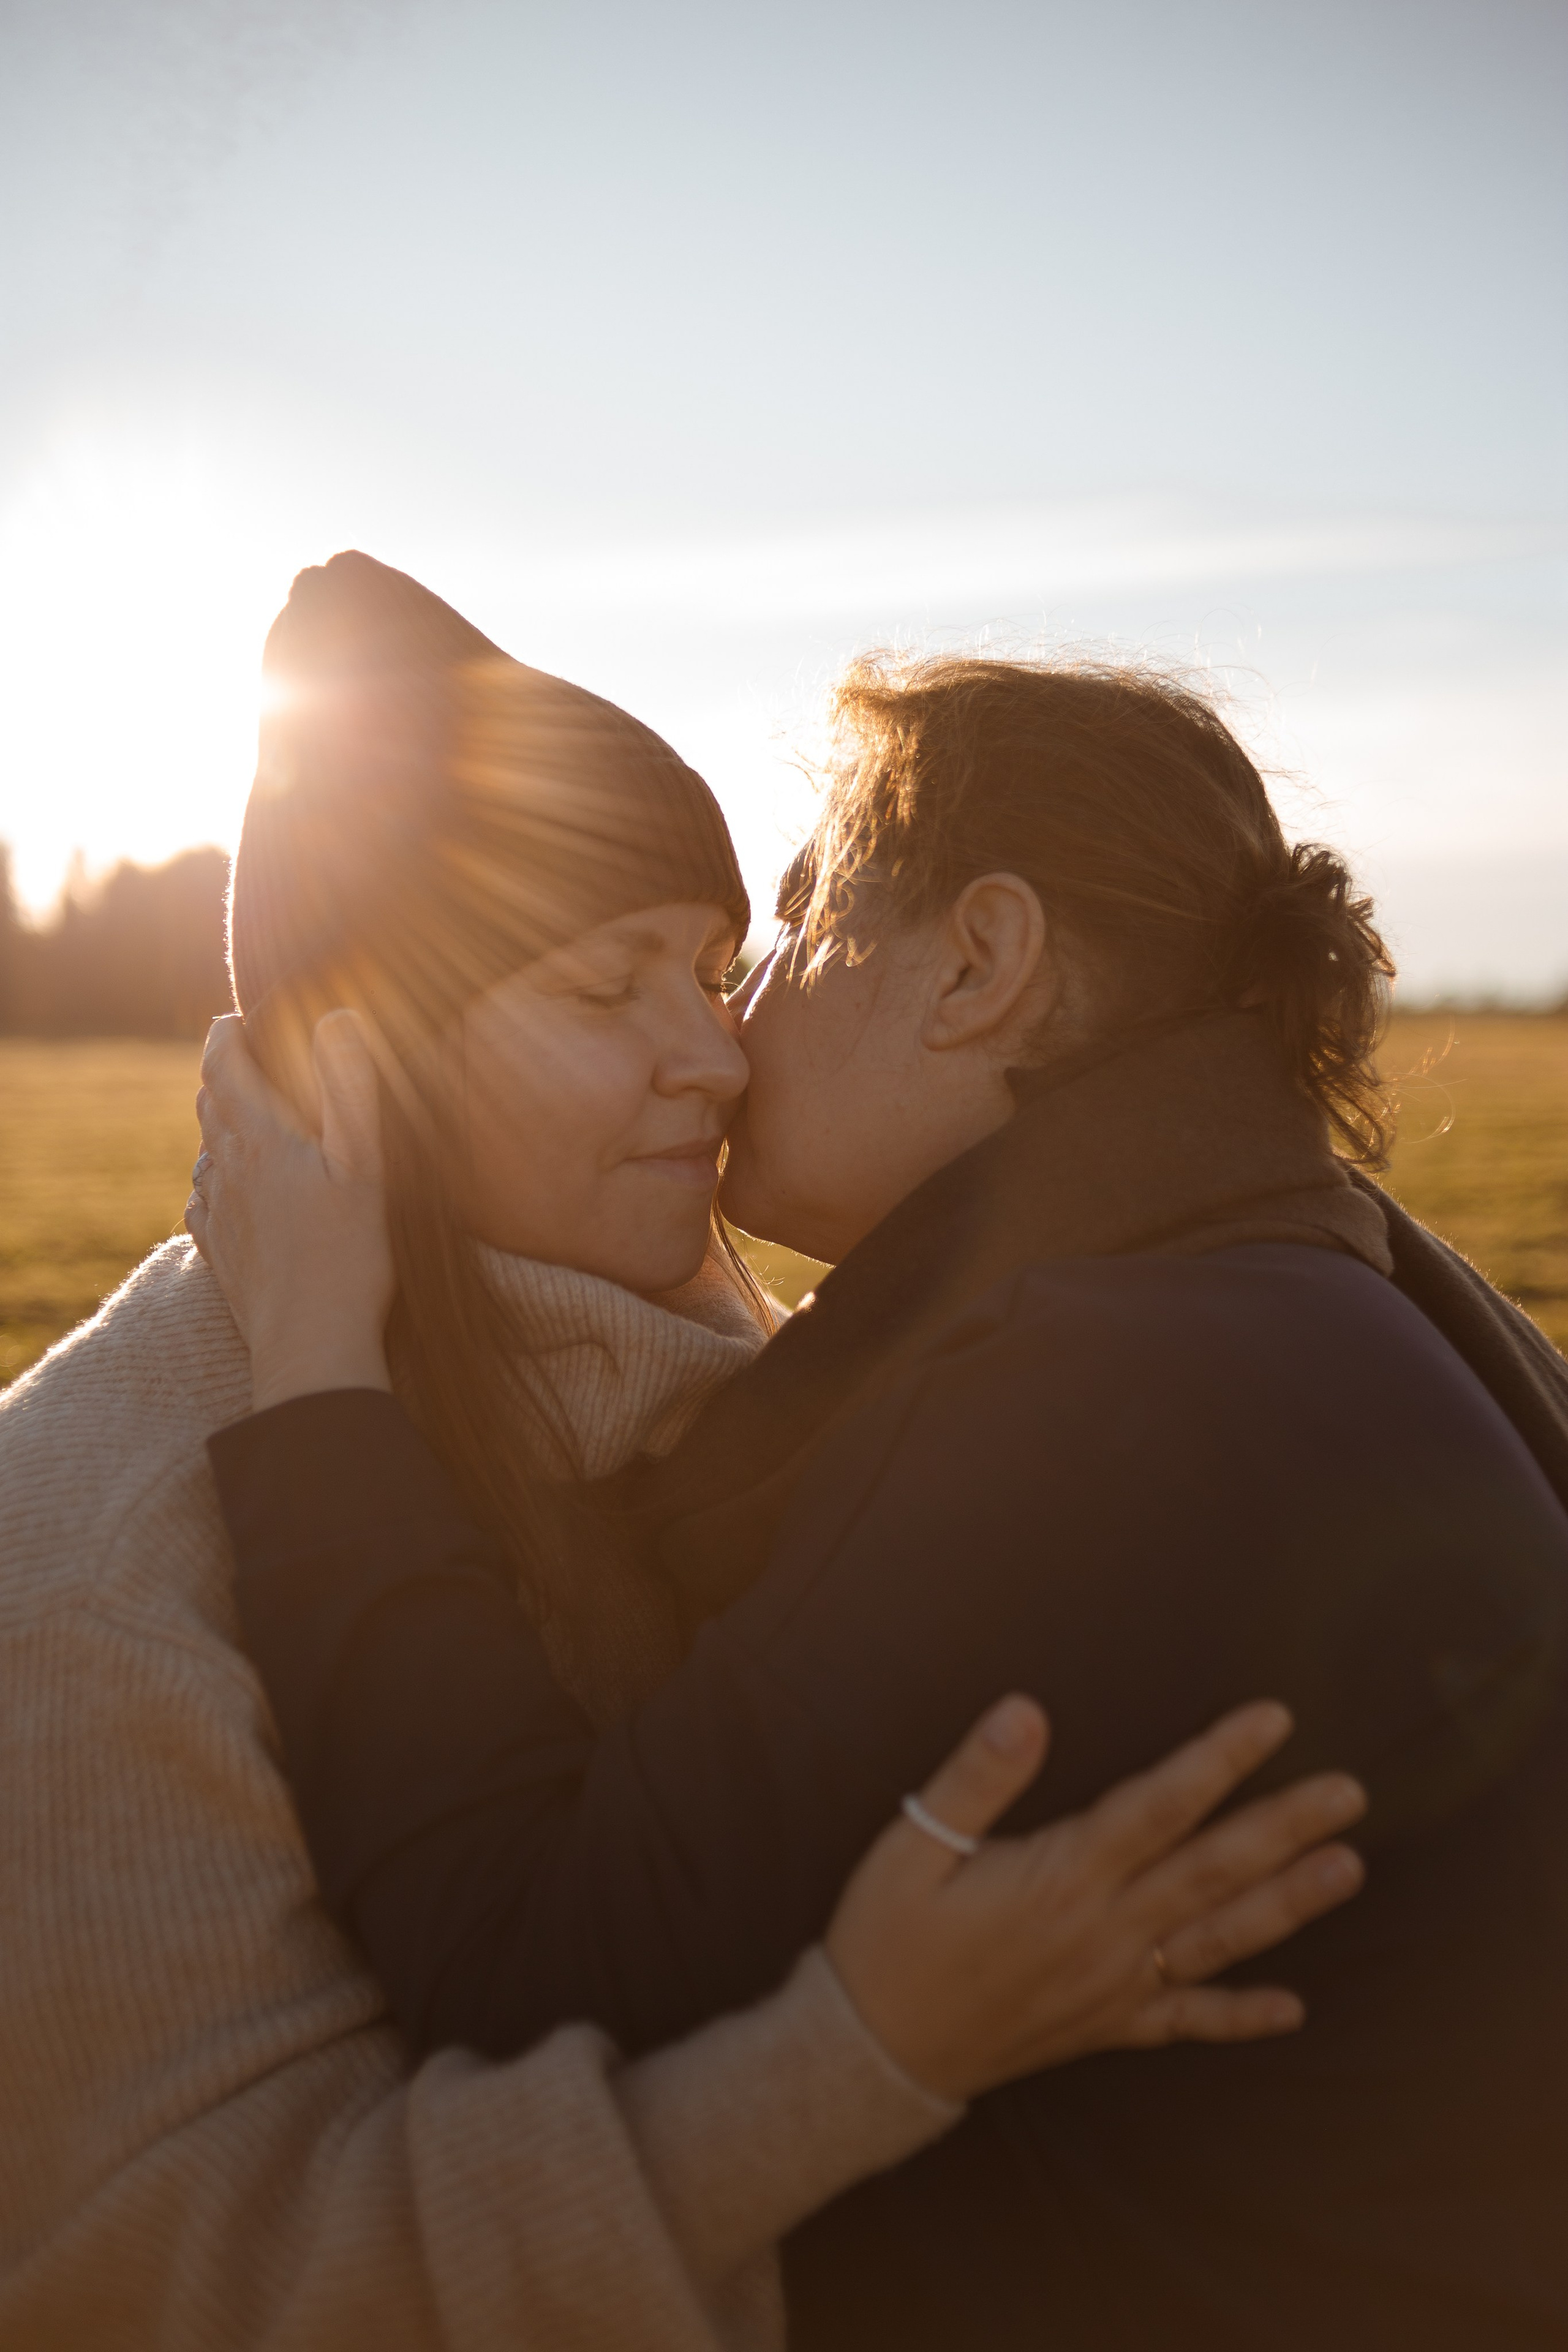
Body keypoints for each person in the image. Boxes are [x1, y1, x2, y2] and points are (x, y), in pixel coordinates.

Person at [0, 559, 1363, 2352]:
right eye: (602, 990)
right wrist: (848, 2065)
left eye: (715, 970)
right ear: (356, 1067)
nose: (714, 1065)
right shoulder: (110, 1551)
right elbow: (197, 2283)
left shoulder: (718, 1374)